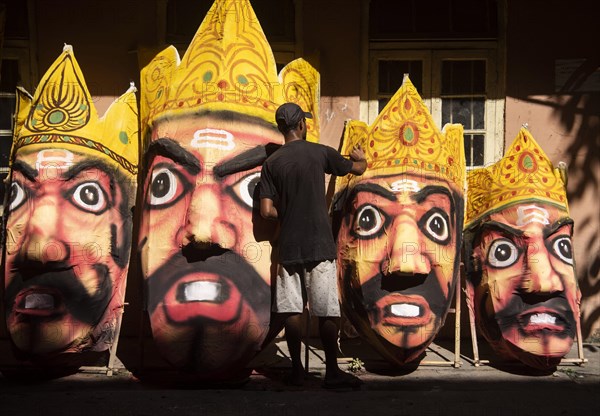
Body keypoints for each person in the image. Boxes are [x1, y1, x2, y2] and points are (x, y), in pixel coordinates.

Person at [259, 102, 367, 388]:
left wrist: (288, 213)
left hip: (289, 246)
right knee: (326, 309)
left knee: (292, 309)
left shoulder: (272, 164)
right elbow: (355, 168)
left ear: (282, 129)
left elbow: (267, 211)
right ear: (302, 126)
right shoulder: (320, 153)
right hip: (319, 244)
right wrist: (361, 159)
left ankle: (297, 371)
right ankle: (331, 372)